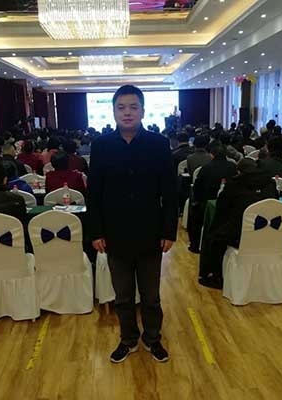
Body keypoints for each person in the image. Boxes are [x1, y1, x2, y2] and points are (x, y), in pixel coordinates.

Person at [87, 85, 178, 363]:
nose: (127, 112)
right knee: (123, 296)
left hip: (150, 231)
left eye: (133, 107)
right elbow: (94, 194)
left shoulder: (158, 144)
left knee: (151, 296)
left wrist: (169, 231)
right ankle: (128, 339)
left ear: (142, 111)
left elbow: (170, 192)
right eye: (121, 107)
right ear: (114, 111)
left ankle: (152, 338)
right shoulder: (101, 146)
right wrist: (96, 231)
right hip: (115, 233)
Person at [199, 158, 278, 288]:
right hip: (269, 233)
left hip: (239, 234)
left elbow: (221, 211)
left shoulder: (233, 185)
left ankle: (217, 276)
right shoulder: (270, 183)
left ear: (239, 171)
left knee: (214, 236)